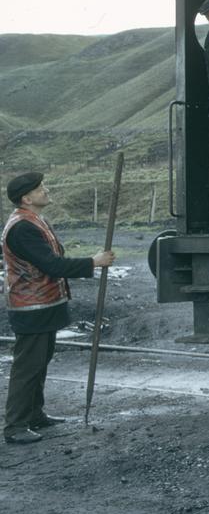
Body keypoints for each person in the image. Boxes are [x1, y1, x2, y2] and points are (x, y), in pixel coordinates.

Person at [2, 173, 114, 445]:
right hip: (31, 307)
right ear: (27, 198)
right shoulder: (22, 228)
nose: (47, 190)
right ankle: (15, 426)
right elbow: (52, 265)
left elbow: (53, 260)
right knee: (27, 367)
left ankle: (34, 415)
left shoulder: (35, 221)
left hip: (43, 304)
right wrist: (93, 262)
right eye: (41, 189)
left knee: (39, 363)